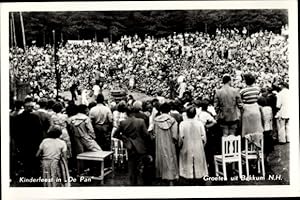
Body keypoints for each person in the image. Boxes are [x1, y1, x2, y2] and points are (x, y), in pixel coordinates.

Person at [113, 105, 152, 186]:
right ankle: (145, 184)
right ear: (134, 112)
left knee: (131, 167)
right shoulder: (141, 121)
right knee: (143, 166)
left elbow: (115, 135)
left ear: (126, 113)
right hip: (141, 147)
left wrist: (125, 139)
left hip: (130, 147)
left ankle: (133, 184)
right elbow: (146, 135)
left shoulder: (123, 123)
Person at [178, 106, 208, 183]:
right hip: (198, 145)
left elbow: (181, 137)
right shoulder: (199, 123)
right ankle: (198, 176)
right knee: (198, 161)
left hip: (187, 145)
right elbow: (204, 137)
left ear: (187, 114)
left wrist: (180, 146)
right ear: (195, 114)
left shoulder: (182, 124)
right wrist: (202, 145)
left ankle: (188, 176)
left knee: (187, 161)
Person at [153, 102, 179, 186]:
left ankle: (161, 179)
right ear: (169, 110)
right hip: (170, 143)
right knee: (170, 159)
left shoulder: (156, 120)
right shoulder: (172, 120)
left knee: (160, 159)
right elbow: (175, 136)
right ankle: (171, 180)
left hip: (159, 143)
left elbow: (153, 133)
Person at [240, 73, 264, 137]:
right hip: (255, 109)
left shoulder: (242, 91)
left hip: (247, 109)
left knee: (247, 129)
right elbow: (259, 99)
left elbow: (240, 101)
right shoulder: (257, 89)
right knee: (256, 128)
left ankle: (247, 144)